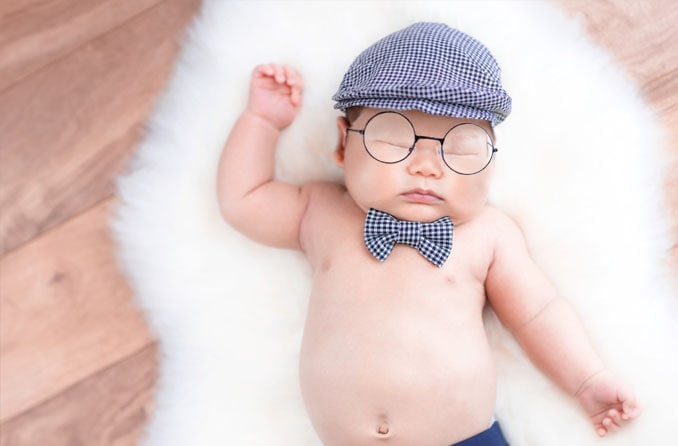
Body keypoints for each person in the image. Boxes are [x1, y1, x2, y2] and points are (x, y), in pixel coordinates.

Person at [217, 22, 640, 446]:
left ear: (490, 161)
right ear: (344, 144)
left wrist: (587, 380)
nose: (426, 166)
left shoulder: (488, 233)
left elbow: (538, 313)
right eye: (393, 139)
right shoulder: (321, 212)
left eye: (460, 148)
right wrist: (262, 122)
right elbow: (244, 200)